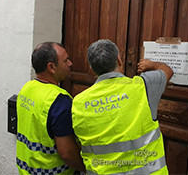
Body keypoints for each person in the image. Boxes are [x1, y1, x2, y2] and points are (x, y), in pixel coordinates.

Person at [72, 39, 173, 174]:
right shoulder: (144, 86)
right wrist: (151, 64)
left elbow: (79, 141)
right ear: (119, 60)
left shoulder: (79, 102)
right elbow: (167, 70)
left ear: (91, 68)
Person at [16, 42, 85, 174]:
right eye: (66, 61)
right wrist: (87, 168)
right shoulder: (59, 101)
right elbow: (67, 153)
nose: (70, 63)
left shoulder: (27, 88)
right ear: (51, 67)